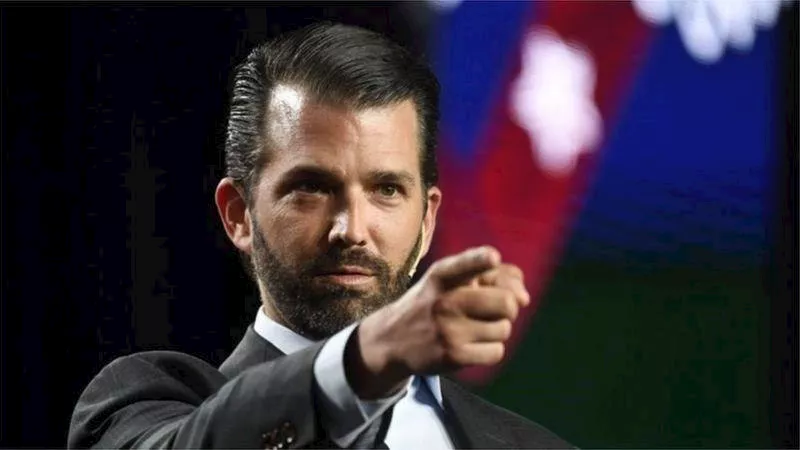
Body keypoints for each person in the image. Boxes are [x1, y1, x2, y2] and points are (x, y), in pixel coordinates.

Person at [68, 22, 573, 449]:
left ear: (427, 222)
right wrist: (368, 357)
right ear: (239, 215)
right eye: (311, 187)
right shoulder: (143, 410)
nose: (351, 230)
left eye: (387, 190)